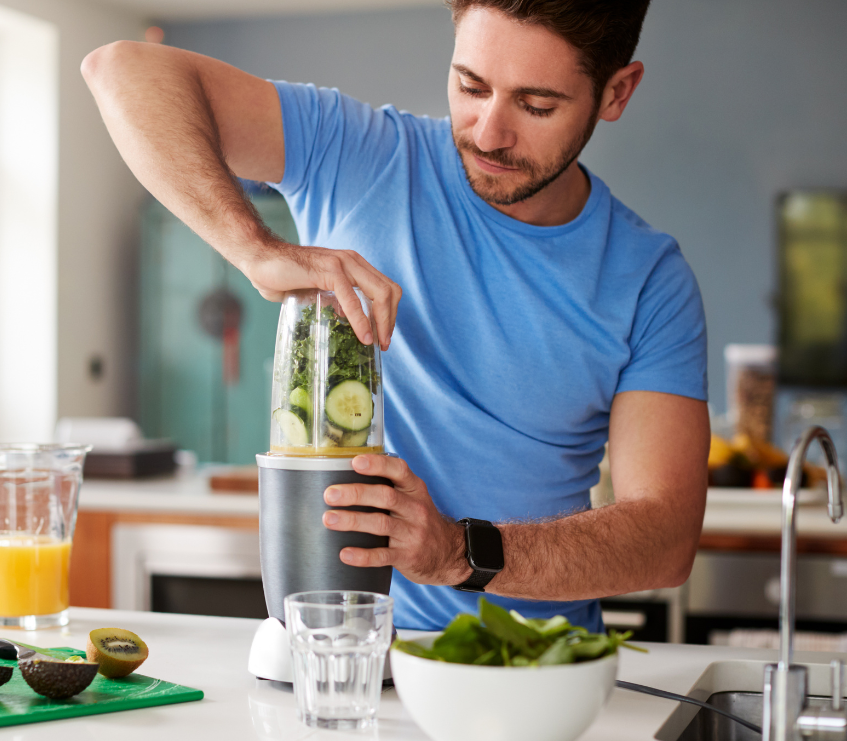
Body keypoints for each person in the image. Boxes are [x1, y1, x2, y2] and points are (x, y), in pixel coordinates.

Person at [82, 0, 710, 632]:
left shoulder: (649, 279)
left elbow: (664, 537)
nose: (489, 132)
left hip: (538, 676)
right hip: (339, 663)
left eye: (536, 105)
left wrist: (456, 552)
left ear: (616, 91)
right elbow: (121, 69)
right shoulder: (358, 152)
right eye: (471, 86)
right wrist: (256, 249)